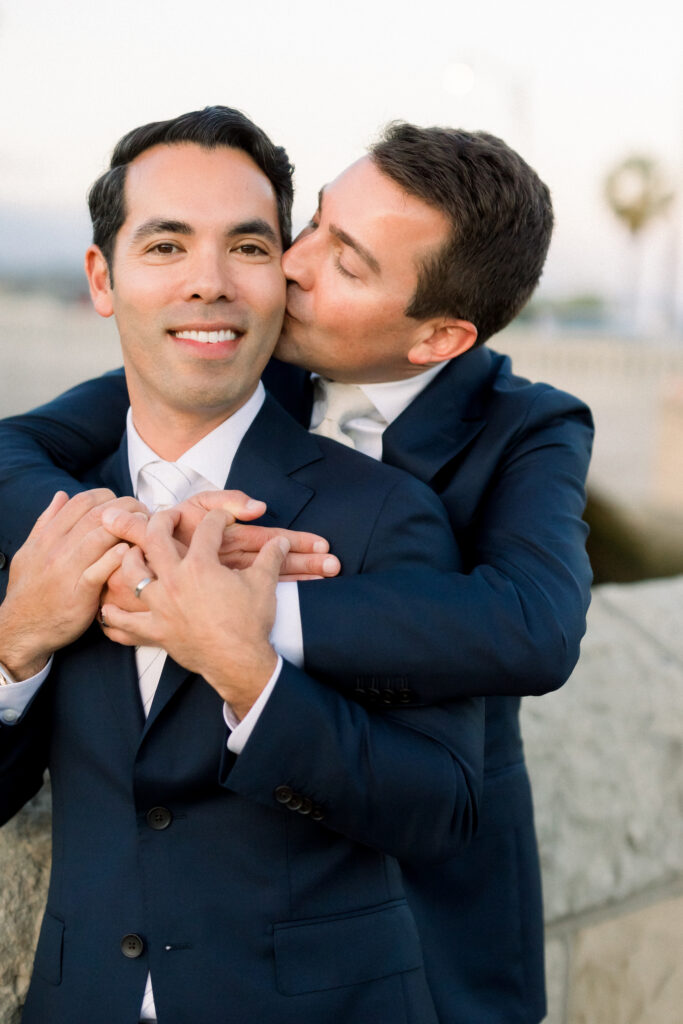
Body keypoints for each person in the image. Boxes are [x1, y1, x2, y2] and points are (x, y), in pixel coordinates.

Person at [0, 119, 594, 1024]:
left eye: (346, 263)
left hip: (430, 900)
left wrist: (252, 612)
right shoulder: (232, 358)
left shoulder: (524, 427)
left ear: (439, 337)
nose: (290, 266)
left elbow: (532, 625)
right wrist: (129, 545)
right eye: (310, 225)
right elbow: (17, 448)